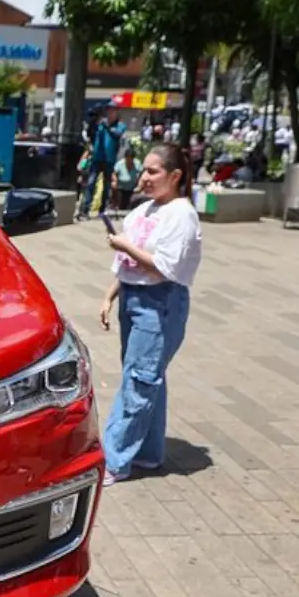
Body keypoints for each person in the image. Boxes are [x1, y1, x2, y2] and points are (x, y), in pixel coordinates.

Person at [97, 143, 203, 486]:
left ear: (175, 176)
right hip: (133, 298)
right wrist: (110, 295)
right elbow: (129, 267)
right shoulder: (143, 211)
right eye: (144, 170)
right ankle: (147, 452)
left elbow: (163, 268)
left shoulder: (182, 214)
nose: (145, 178)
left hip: (161, 303)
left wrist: (125, 245)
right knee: (145, 376)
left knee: (140, 380)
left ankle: (113, 460)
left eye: (153, 171)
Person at [80, 107, 126, 221]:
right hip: (97, 158)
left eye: (113, 111)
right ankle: (85, 210)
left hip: (109, 160)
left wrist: (107, 127)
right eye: (109, 111)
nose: (110, 113)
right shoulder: (100, 124)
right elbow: (91, 134)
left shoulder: (120, 125)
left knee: (106, 186)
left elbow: (117, 134)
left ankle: (102, 210)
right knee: (91, 183)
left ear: (117, 113)